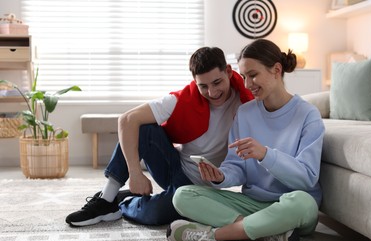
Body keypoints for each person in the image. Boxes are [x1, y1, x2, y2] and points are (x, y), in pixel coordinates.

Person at [166, 39, 325, 241]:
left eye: (253, 75)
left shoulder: (308, 115)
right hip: (253, 203)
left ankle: (213, 235)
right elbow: (236, 166)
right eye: (243, 77)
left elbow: (307, 178)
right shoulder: (245, 113)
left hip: (291, 205)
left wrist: (266, 155)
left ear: (276, 70)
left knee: (304, 203)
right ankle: (269, 233)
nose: (247, 84)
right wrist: (221, 177)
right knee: (183, 195)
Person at [66, 47, 254, 226]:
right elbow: (126, 120)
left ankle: (124, 201)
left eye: (217, 82)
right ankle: (106, 199)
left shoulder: (249, 101)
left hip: (203, 187)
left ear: (228, 72)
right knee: (143, 126)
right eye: (203, 86)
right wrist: (135, 173)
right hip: (174, 166)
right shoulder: (183, 99)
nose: (212, 93)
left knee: (156, 214)